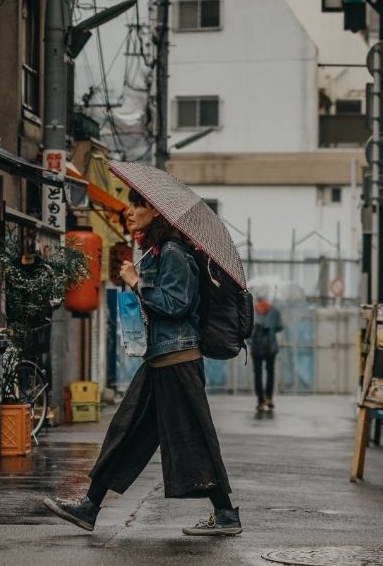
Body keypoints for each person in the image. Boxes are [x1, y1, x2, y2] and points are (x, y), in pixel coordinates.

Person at [42, 188, 240, 536]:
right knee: (126, 431)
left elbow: (176, 304)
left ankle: (226, 514)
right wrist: (139, 275)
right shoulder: (157, 252)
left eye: (138, 205)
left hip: (178, 360)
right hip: (159, 359)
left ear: (158, 213)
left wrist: (137, 282)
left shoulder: (176, 253)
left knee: (192, 435)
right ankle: (90, 506)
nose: (130, 211)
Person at [250, 298, 283, 415]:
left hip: (257, 347)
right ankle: (268, 398)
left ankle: (261, 401)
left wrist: (251, 342)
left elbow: (247, 329)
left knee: (258, 374)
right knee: (270, 373)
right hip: (270, 347)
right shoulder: (274, 311)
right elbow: (280, 327)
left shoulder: (252, 311)